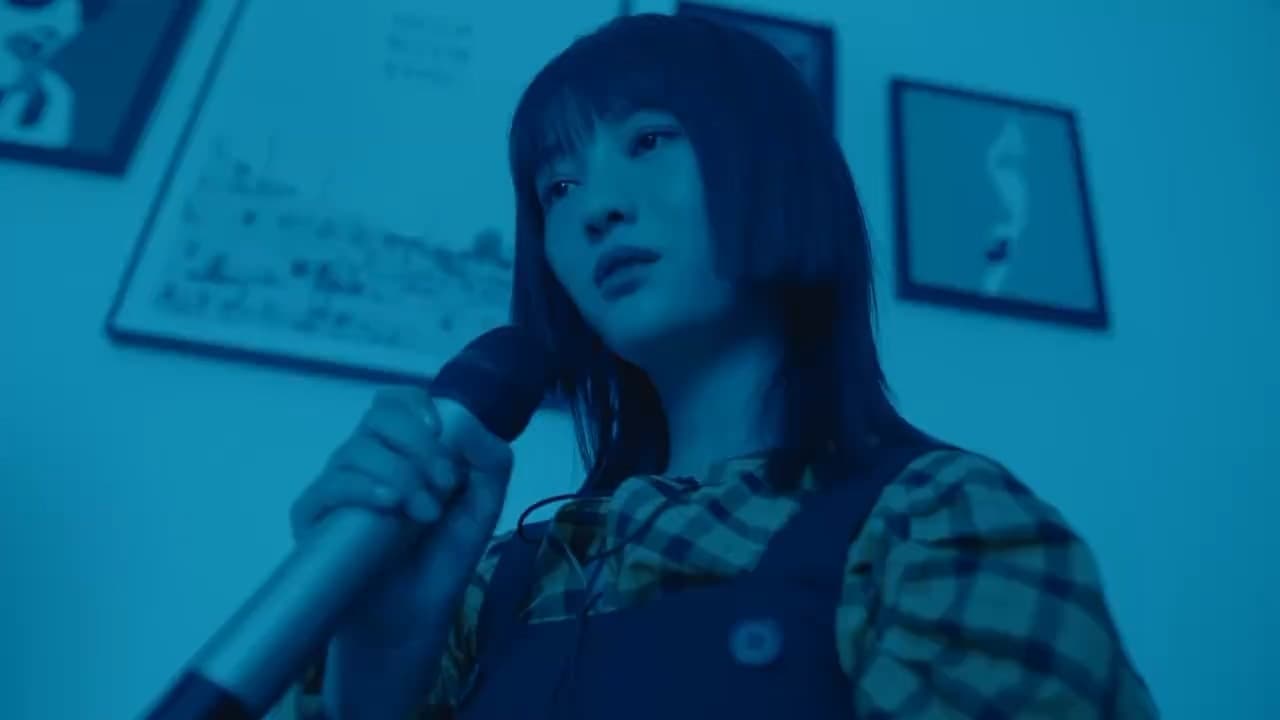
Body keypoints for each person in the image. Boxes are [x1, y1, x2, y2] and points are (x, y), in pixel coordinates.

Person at [284, 13, 1158, 719]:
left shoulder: (941, 524)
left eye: (649, 140)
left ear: (774, 171)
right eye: (558, 187)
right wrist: (381, 660)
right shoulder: (495, 582)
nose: (596, 209)